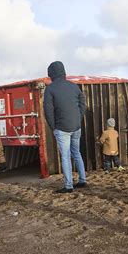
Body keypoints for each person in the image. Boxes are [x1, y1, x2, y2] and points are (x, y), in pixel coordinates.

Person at [43, 61, 87, 193]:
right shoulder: (74, 86)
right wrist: (78, 118)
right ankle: (82, 180)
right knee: (77, 153)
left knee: (65, 156)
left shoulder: (50, 89)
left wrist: (53, 127)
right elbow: (82, 104)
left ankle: (68, 186)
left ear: (51, 74)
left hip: (62, 128)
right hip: (76, 126)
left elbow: (48, 111)